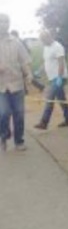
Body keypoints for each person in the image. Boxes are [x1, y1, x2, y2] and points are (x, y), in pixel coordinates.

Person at [0, 13, 32, 151]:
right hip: (1, 87)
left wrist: (29, 74)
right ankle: (4, 134)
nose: (3, 24)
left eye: (6, 21)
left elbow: (24, 61)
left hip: (17, 84)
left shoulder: (16, 42)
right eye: (1, 21)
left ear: (9, 24)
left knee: (19, 113)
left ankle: (19, 141)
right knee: (3, 113)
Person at [34, 31, 68, 130]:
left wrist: (60, 77)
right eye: (41, 40)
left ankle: (44, 122)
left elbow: (61, 63)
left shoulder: (58, 47)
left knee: (49, 99)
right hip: (52, 78)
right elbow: (46, 62)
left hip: (59, 77)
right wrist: (39, 71)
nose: (42, 42)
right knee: (62, 99)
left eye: (43, 40)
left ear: (49, 37)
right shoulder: (46, 48)